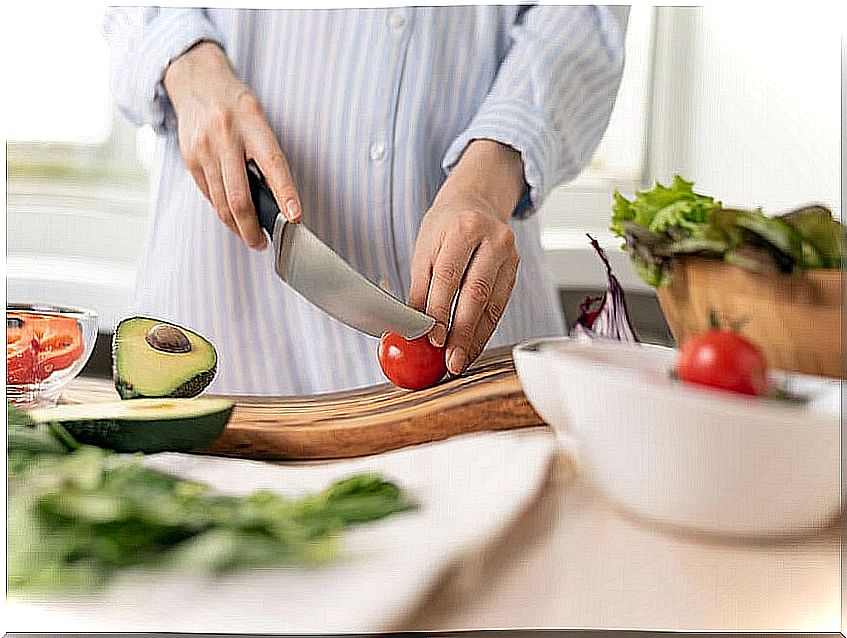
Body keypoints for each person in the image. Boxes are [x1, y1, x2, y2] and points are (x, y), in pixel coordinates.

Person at [102, 6, 626, 395]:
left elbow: (581, 15)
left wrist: (487, 179)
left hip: (471, 337)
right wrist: (187, 64)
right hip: (223, 312)